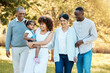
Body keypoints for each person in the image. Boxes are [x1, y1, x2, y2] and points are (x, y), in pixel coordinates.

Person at [73, 7, 97, 73]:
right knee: (79, 71)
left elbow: (94, 36)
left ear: (82, 14)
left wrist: (83, 41)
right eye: (75, 15)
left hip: (87, 50)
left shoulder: (90, 23)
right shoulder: (74, 24)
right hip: (78, 51)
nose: (75, 17)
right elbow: (74, 36)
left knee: (87, 70)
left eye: (77, 15)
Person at [6, 7, 29, 73]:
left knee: (23, 67)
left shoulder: (27, 22)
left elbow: (32, 34)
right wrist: (7, 49)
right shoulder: (11, 23)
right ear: (16, 13)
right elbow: (8, 36)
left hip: (25, 48)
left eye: (23, 13)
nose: (22, 15)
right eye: (20, 13)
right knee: (16, 68)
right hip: (15, 48)